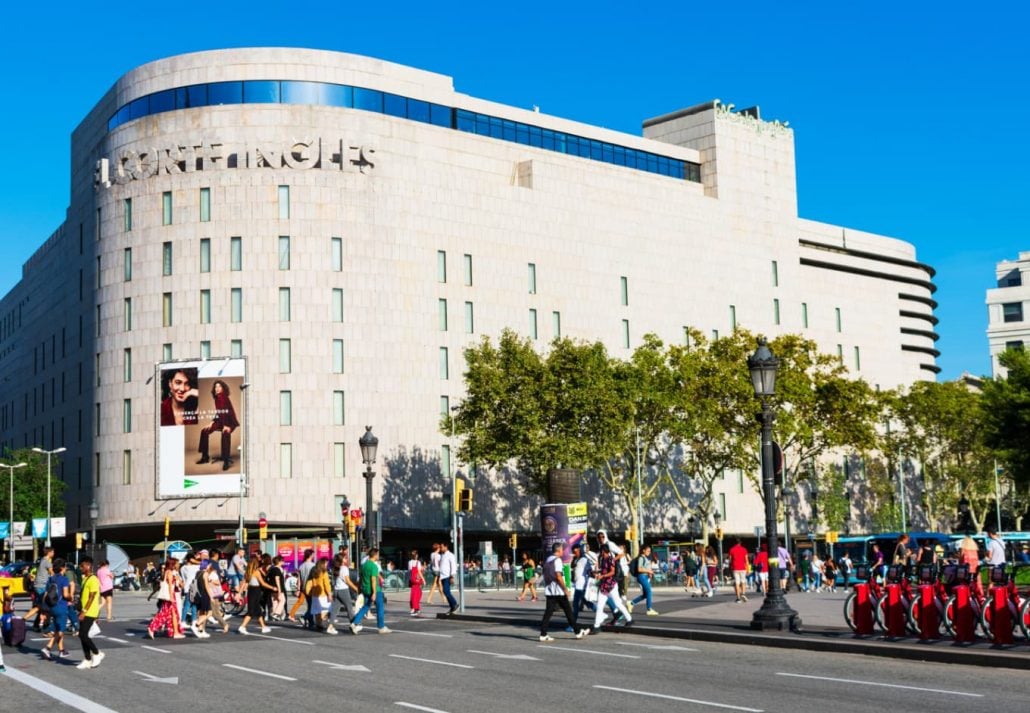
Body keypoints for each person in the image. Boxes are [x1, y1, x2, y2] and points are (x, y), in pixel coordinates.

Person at [538, 542, 589, 642]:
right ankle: (578, 632)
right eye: (562, 549)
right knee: (568, 612)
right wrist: (565, 589)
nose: (563, 551)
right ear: (558, 550)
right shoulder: (557, 560)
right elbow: (558, 576)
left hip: (549, 590)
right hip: (558, 591)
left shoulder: (548, 559)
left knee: (548, 613)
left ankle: (543, 634)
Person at [196, 379, 240, 471]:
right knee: (204, 431)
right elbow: (219, 412)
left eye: (219, 386)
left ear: (223, 388)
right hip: (221, 420)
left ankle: (226, 460)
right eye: (216, 386)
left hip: (229, 422)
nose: (217, 388)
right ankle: (205, 457)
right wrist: (212, 422)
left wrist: (226, 425)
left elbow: (227, 413)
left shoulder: (223, 397)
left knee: (225, 434)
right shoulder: (217, 398)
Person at [590, 542, 632, 633]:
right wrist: (597, 572)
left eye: (602, 552)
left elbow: (612, 572)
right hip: (604, 585)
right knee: (600, 606)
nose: (601, 553)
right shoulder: (602, 559)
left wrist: (603, 576)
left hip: (611, 585)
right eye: (601, 552)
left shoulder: (610, 559)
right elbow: (604, 570)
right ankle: (596, 626)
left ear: (606, 551)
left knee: (617, 604)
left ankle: (629, 619)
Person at [351, 548, 391, 634]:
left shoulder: (364, 565)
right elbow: (373, 580)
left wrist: (359, 588)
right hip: (375, 590)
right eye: (378, 554)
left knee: (366, 607)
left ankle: (354, 623)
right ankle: (381, 627)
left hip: (365, 589)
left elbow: (361, 578)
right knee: (380, 608)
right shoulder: (374, 566)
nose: (378, 556)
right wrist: (374, 593)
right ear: (375, 555)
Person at [40, 559, 72, 661]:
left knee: (58, 628)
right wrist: (71, 597)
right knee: (61, 631)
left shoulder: (51, 579)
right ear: (62, 568)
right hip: (61, 606)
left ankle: (61, 650)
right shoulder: (64, 579)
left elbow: (45, 594)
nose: (66, 568)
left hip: (51, 607)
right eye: (65, 566)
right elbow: (66, 594)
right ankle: (47, 648)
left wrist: (44, 609)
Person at [76, 556, 104, 670]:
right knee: (82, 635)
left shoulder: (93, 579)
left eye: (82, 566)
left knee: (83, 634)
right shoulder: (85, 579)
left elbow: (93, 597)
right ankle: (87, 659)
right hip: (85, 611)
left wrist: (84, 611)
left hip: (89, 611)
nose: (80, 568)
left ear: (88, 566)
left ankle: (97, 653)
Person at [148, 560, 186, 639]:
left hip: (170, 596)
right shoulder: (169, 572)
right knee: (166, 613)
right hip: (170, 596)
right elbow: (169, 586)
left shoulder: (170, 572)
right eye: (177, 564)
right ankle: (152, 627)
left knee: (171, 614)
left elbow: (180, 585)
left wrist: (178, 579)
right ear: (173, 564)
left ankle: (175, 632)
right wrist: (171, 597)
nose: (178, 565)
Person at [238, 556, 275, 635]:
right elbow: (263, 583)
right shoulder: (256, 572)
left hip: (250, 591)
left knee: (258, 609)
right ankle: (242, 626)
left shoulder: (248, 572)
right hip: (256, 590)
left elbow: (245, 583)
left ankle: (263, 627)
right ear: (256, 563)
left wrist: (239, 593)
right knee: (251, 611)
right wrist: (272, 587)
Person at [25, 546, 54, 632]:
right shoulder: (47, 562)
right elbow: (52, 574)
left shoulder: (42, 560)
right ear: (49, 552)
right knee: (46, 606)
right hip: (42, 586)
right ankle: (46, 628)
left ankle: (36, 625)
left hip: (38, 586)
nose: (53, 553)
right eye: (52, 552)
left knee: (41, 606)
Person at [305, 558, 336, 634]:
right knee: (326, 609)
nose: (327, 565)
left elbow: (309, 582)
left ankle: (319, 624)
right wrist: (329, 594)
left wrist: (308, 591)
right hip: (322, 594)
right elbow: (327, 584)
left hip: (314, 594)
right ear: (323, 564)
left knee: (317, 611)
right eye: (326, 563)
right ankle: (320, 622)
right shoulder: (324, 572)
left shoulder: (314, 571)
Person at [330, 552, 359, 630]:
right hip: (343, 590)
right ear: (341, 560)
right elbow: (347, 581)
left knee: (335, 609)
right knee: (349, 607)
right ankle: (354, 625)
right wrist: (355, 588)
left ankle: (330, 626)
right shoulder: (344, 568)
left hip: (336, 590)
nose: (347, 559)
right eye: (345, 558)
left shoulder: (336, 568)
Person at [629, 544, 659, 615]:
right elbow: (639, 569)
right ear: (643, 550)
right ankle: (649, 609)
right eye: (648, 551)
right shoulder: (641, 558)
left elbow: (645, 568)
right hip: (642, 577)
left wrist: (649, 573)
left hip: (644, 576)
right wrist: (649, 571)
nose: (649, 552)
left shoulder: (645, 558)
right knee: (649, 592)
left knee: (646, 595)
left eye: (650, 551)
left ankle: (631, 603)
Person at [288, 549, 316, 625]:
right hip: (311, 588)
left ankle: (311, 622)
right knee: (312, 606)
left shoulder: (301, 566)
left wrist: (298, 589)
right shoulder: (313, 565)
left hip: (304, 588)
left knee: (310, 605)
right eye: (313, 554)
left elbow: (299, 579)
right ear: (310, 555)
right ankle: (304, 617)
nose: (313, 556)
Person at [203, 561, 229, 634]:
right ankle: (202, 627)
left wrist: (210, 581)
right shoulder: (207, 573)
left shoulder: (213, 574)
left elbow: (218, 582)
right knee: (212, 612)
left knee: (214, 613)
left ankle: (225, 624)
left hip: (214, 595)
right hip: (209, 594)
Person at [438, 542, 459, 614]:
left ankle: (455, 604)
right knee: (445, 591)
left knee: (446, 591)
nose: (440, 549)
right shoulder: (442, 555)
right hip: (443, 576)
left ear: (446, 547)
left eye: (441, 547)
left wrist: (452, 576)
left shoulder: (450, 555)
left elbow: (453, 566)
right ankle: (452, 607)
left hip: (448, 576)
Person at [727, 538, 749, 603]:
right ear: (740, 543)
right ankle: (743, 593)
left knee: (737, 583)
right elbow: (746, 560)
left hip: (735, 568)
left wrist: (730, 567)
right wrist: (748, 569)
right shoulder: (744, 549)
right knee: (743, 581)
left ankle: (738, 598)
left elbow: (730, 560)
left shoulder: (731, 549)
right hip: (743, 567)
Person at [266, 555, 287, 621]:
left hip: (272, 588)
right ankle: (276, 614)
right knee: (282, 600)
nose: (283, 562)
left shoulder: (271, 569)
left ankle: (273, 615)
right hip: (277, 588)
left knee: (275, 601)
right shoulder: (277, 569)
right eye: (283, 561)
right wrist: (280, 590)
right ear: (279, 562)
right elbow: (277, 579)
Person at [408, 549, 424, 617]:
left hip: (412, 580)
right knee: (418, 595)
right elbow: (419, 572)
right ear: (417, 555)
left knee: (413, 594)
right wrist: (423, 579)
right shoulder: (418, 562)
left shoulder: (409, 562)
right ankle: (416, 609)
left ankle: (413, 608)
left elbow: (409, 570)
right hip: (417, 580)